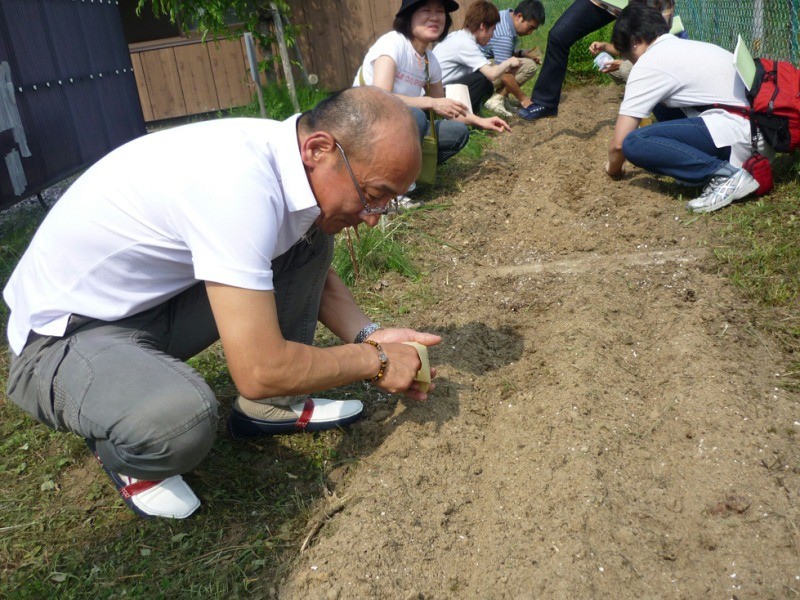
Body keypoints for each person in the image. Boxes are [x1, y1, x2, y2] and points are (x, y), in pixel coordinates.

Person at [3, 86, 443, 519]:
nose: (371, 216)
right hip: (61, 338)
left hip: (152, 303)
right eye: (373, 194)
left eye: (387, 203)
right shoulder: (236, 185)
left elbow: (312, 276)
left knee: (308, 241)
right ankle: (128, 456)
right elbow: (260, 370)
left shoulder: (282, 158)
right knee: (181, 420)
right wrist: (377, 362)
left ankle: (270, 409)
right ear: (320, 148)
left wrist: (369, 335)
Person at [604, 3, 772, 212]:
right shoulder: (692, 47)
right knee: (660, 103)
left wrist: (613, 170)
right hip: (762, 136)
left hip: (740, 136)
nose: (631, 62)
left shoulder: (649, 63)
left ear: (636, 41)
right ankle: (700, 169)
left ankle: (725, 176)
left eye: (628, 56)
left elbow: (619, 145)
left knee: (635, 142)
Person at [353, 0, 511, 168]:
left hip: (400, 127)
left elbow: (446, 108)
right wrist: (431, 102)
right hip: (365, 125)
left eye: (440, 12)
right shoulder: (393, 44)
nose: (434, 17)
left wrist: (479, 121)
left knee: (457, 133)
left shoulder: (430, 61)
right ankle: (386, 178)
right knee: (416, 116)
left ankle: (412, 173)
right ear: (409, 16)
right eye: (426, 10)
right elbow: (380, 98)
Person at [432, 1, 522, 116]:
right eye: (493, 30)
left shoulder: (459, 36)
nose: (493, 35)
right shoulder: (465, 43)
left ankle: (471, 114)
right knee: (482, 80)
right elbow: (491, 74)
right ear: (482, 26)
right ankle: (461, 117)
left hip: (436, 92)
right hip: (438, 97)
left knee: (483, 80)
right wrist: (509, 62)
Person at [587, 0, 681, 85]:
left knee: (625, 68)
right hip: (643, 55)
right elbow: (627, 46)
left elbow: (658, 49)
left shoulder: (665, 4)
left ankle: (652, 95)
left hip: (658, 58)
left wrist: (623, 63)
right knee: (610, 66)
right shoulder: (633, 8)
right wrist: (604, 46)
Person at [483, 0, 546, 118]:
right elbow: (505, 75)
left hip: (480, 66)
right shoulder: (505, 35)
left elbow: (502, 54)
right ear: (519, 17)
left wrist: (522, 53)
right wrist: (524, 99)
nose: (530, 32)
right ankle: (495, 100)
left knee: (523, 62)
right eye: (530, 27)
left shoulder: (504, 16)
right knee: (529, 66)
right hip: (477, 76)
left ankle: (500, 97)